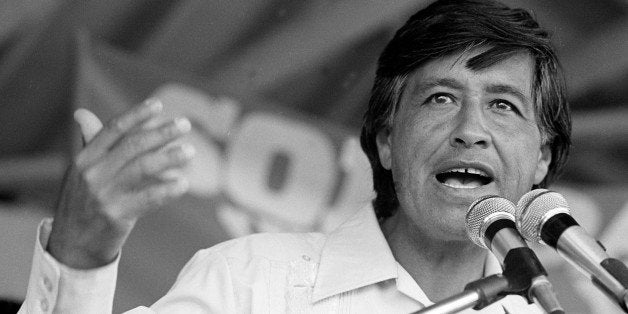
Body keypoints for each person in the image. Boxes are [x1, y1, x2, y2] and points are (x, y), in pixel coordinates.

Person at [18, 0, 571, 312]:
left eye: (504, 105)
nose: (471, 129)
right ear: (385, 139)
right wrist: (80, 256)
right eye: (441, 98)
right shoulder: (253, 281)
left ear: (542, 160)